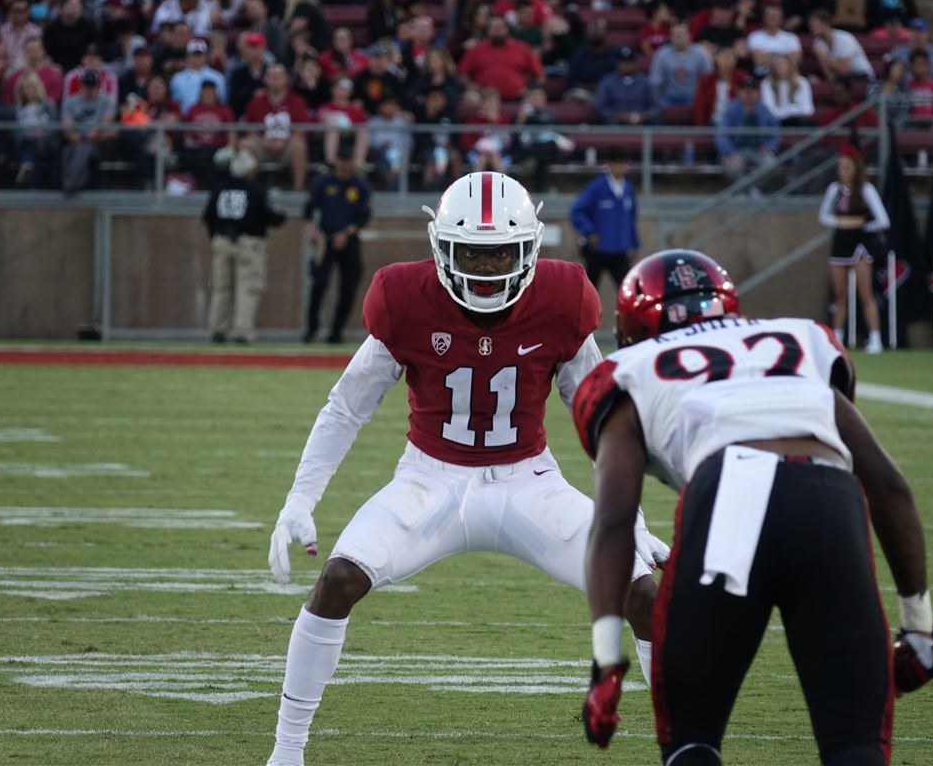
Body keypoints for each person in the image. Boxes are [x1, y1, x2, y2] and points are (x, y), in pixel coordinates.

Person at [266, 171, 666, 766]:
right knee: (337, 581)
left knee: (646, 595)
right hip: (429, 481)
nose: (487, 268)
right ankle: (286, 753)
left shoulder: (562, 300)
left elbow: (604, 422)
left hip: (529, 483)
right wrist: (299, 499)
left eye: (502, 252)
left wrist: (628, 518)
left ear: (530, 247)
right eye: (472, 255)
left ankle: (680, 746)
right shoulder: (405, 299)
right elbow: (347, 406)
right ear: (440, 249)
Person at [576, 248, 933, 765]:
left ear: (633, 327)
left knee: (692, 738)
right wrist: (920, 629)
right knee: (855, 745)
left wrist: (606, 660)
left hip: (731, 496)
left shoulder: (631, 368)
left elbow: (614, 521)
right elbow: (887, 484)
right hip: (827, 501)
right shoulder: (799, 341)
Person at [202, 149, 286, 344]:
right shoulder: (256, 190)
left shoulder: (219, 189)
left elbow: (207, 217)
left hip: (222, 241)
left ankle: (217, 330)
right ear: (250, 171)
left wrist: (216, 237)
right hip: (249, 243)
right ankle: (242, 331)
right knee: (248, 288)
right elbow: (275, 218)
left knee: (221, 287)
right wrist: (280, 213)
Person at [820, 145, 891, 353]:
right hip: (840, 244)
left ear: (856, 168)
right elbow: (822, 216)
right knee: (840, 295)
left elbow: (883, 220)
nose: (844, 170)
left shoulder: (866, 189)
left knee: (866, 293)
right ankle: (838, 339)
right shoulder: (834, 190)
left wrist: (861, 226)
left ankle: (875, 338)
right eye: (841, 166)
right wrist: (840, 223)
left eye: (848, 166)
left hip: (860, 246)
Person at [301, 148, 372, 344]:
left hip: (349, 240)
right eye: (341, 159)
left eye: (347, 159)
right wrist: (312, 232)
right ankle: (311, 329)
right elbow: (307, 211)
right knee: (318, 284)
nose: (344, 164)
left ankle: (336, 331)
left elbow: (364, 216)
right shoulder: (324, 182)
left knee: (348, 287)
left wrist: (347, 232)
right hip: (326, 239)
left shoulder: (359, 185)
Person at [570, 152, 640, 290]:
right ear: (609, 165)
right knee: (589, 291)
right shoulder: (597, 187)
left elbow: (631, 219)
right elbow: (577, 211)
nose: (621, 167)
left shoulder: (628, 189)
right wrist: (590, 231)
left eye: (623, 163)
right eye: (617, 163)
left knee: (628, 290)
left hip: (619, 251)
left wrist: (634, 243)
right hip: (598, 251)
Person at [243, 63, 311, 191]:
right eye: (271, 76)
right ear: (265, 79)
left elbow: (302, 129)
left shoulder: (297, 101)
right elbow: (249, 127)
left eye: (279, 76)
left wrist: (283, 141)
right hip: (263, 144)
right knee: (246, 145)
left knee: (299, 145)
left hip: (286, 145)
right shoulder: (256, 102)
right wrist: (263, 140)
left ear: (286, 79)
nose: (275, 80)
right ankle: (249, 191)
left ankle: (298, 189)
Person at [458, 15, 543, 100]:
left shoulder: (522, 48)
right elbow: (462, 74)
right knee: (470, 98)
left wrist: (529, 88)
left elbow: (539, 74)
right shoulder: (476, 50)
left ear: (507, 30)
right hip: (484, 98)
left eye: (500, 27)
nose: (497, 30)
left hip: (518, 96)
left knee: (537, 97)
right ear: (488, 31)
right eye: (494, 28)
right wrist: (472, 86)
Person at [717, 76, 780, 185]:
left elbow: (775, 132)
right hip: (737, 150)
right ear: (739, 92)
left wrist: (769, 146)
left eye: (752, 91)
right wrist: (730, 153)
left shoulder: (764, 109)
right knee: (732, 168)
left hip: (759, 150)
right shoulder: (731, 109)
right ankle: (751, 193)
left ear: (757, 93)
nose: (749, 94)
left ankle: (752, 191)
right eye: (746, 91)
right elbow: (721, 135)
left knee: (771, 165)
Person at [649, 20, 713, 108]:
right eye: (675, 34)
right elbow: (655, 82)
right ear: (670, 37)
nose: (679, 37)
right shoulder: (662, 53)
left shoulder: (701, 53)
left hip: (693, 96)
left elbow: (709, 79)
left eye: (682, 34)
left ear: (689, 36)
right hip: (669, 96)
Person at [595, 46, 658, 125]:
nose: (627, 65)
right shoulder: (607, 81)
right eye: (623, 62)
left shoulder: (645, 81)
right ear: (617, 63)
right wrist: (619, 117)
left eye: (630, 61)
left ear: (636, 63)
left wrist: (643, 116)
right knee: (609, 124)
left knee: (656, 123)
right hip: (616, 122)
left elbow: (655, 107)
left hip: (642, 121)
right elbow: (601, 107)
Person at [810, 9, 876, 81]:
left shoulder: (844, 39)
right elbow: (830, 76)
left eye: (814, 24)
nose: (811, 27)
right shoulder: (818, 42)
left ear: (826, 24)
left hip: (862, 76)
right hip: (842, 80)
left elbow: (843, 70)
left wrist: (823, 56)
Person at [886, 18, 933, 88]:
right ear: (908, 34)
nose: (917, 36)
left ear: (927, 35)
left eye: (920, 32)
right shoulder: (898, 53)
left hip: (932, 96)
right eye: (914, 32)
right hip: (904, 96)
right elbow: (887, 79)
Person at [746, 5, 802, 76]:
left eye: (776, 16)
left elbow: (796, 60)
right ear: (764, 18)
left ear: (781, 19)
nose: (773, 18)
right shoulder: (755, 36)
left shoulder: (791, 37)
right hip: (763, 76)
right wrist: (786, 57)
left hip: (788, 76)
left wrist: (768, 56)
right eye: (770, 15)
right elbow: (758, 60)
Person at [760, 52, 814, 126]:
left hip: (798, 121)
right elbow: (769, 111)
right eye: (777, 65)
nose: (779, 67)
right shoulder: (766, 83)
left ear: (791, 66)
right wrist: (791, 109)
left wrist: (788, 111)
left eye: (783, 64)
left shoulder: (802, 82)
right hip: (776, 122)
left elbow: (808, 110)